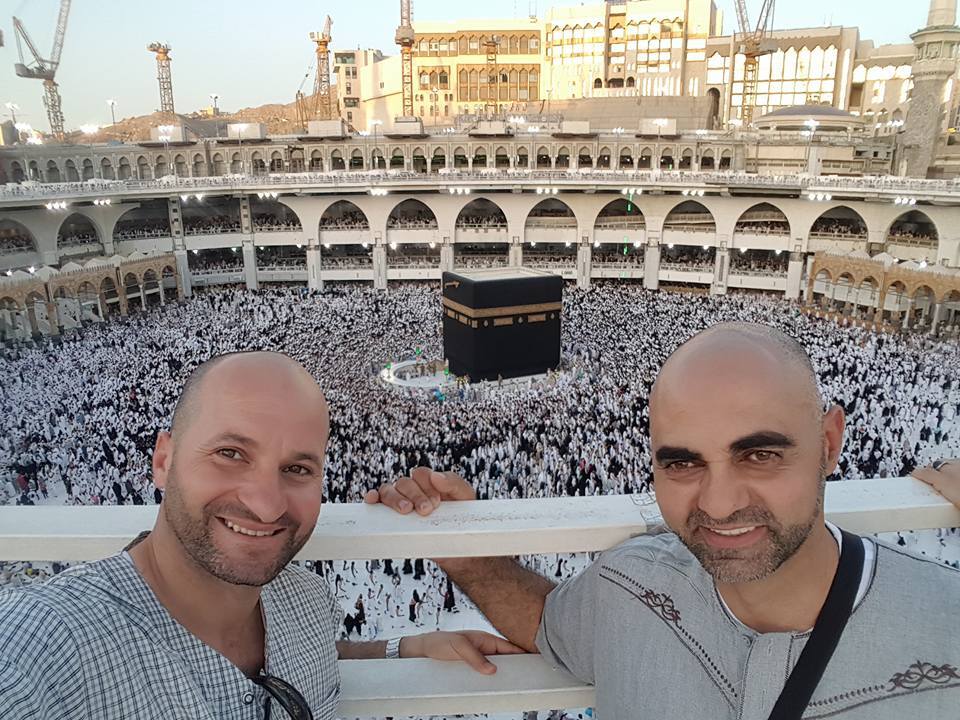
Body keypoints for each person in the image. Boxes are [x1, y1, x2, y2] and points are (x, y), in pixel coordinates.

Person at [368, 323, 960, 719]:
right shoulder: (630, 586)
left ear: (830, 443)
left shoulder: (946, 626)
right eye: (683, 462)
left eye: (759, 455)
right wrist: (471, 553)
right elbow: (549, 621)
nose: (720, 503)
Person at [0, 351, 522, 719]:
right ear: (164, 460)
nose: (267, 502)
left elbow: (300, 650)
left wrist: (405, 649)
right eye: (230, 454)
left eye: (298, 469)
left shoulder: (305, 599)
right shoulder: (43, 649)